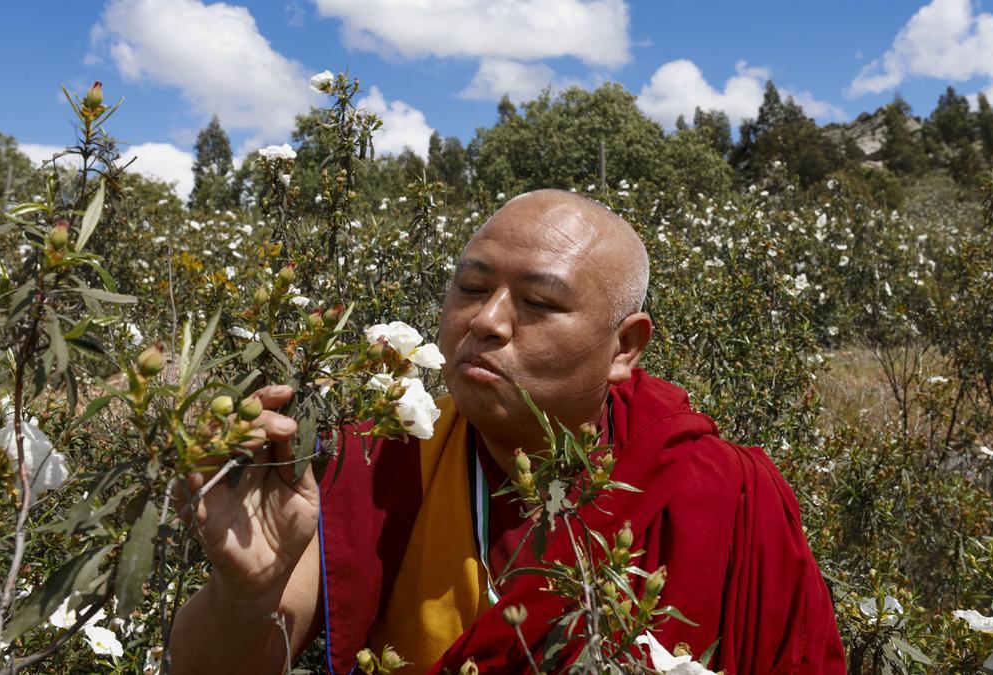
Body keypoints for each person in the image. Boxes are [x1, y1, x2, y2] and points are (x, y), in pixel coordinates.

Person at [170, 190, 846, 674]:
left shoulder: (724, 489)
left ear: (624, 348)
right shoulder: (374, 465)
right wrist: (247, 590)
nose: (487, 322)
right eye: (470, 288)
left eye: (540, 302)